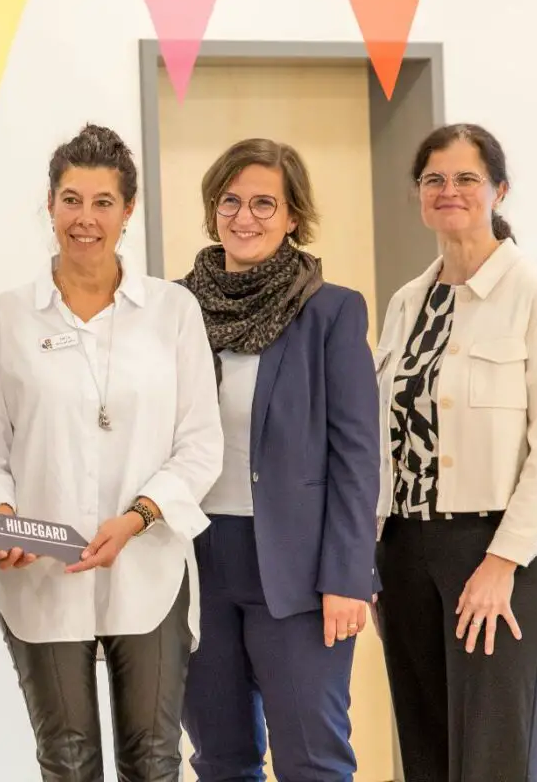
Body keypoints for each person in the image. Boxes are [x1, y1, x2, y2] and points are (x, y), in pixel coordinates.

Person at [0, 123, 224, 781]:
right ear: (50, 205)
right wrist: (0, 514)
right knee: (68, 762)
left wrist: (136, 517)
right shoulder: (7, 317)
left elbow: (200, 445)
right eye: (71, 199)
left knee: (154, 761)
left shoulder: (173, 311)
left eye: (103, 201)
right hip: (41, 571)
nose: (85, 218)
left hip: (151, 568)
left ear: (128, 211)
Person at [373, 123, 537, 781]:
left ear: (499, 190)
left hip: (500, 547)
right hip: (406, 549)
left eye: (467, 178)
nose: (450, 191)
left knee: (494, 747)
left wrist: (503, 561)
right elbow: (390, 437)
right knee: (425, 740)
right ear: (418, 193)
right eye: (434, 179)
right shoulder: (410, 302)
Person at [177, 138, 381, 782]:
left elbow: (357, 455)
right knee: (219, 758)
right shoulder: (174, 308)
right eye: (230, 201)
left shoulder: (331, 311)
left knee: (313, 760)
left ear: (294, 215)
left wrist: (349, 575)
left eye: (265, 203)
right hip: (193, 558)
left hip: (296, 569)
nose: (245, 217)